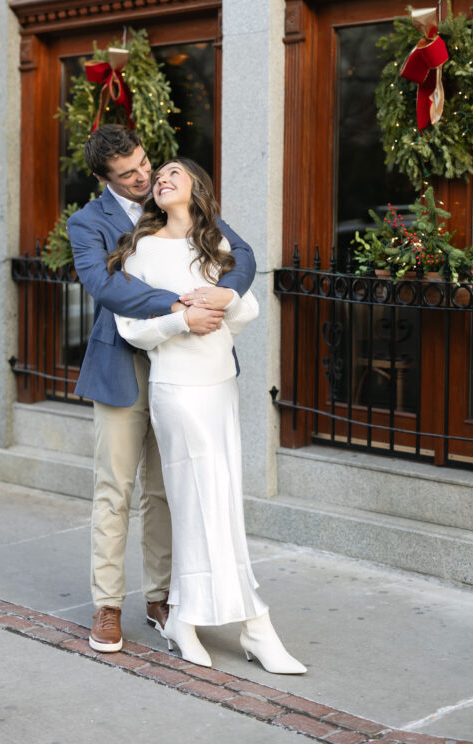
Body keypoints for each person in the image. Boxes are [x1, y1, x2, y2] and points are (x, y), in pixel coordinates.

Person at [107, 157, 306, 675]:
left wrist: (224, 297)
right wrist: (179, 318)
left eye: (176, 172)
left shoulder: (217, 244)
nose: (164, 178)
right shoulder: (142, 249)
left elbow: (248, 313)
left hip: (220, 386)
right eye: (160, 175)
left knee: (220, 502)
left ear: (197, 188)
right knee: (198, 502)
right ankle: (250, 623)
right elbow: (131, 327)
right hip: (176, 389)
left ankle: (191, 620)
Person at [67, 126, 256, 654]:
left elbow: (241, 254)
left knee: (165, 490)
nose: (144, 176)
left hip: (186, 368)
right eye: (128, 174)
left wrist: (221, 293)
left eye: (145, 163)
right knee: (116, 489)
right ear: (105, 179)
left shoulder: (176, 202)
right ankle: (107, 606)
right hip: (124, 365)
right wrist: (179, 307)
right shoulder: (86, 223)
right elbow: (105, 286)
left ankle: (161, 598)